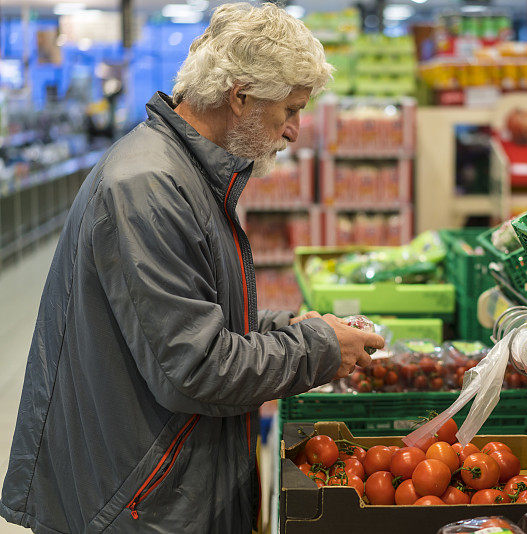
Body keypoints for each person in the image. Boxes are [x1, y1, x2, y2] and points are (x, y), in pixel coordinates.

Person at [0, 3, 383, 532]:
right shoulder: (148, 186)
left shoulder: (189, 172)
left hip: (161, 480)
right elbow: (196, 369)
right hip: (133, 498)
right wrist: (316, 350)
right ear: (241, 96)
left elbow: (196, 316)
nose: (294, 131)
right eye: (290, 110)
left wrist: (286, 328)